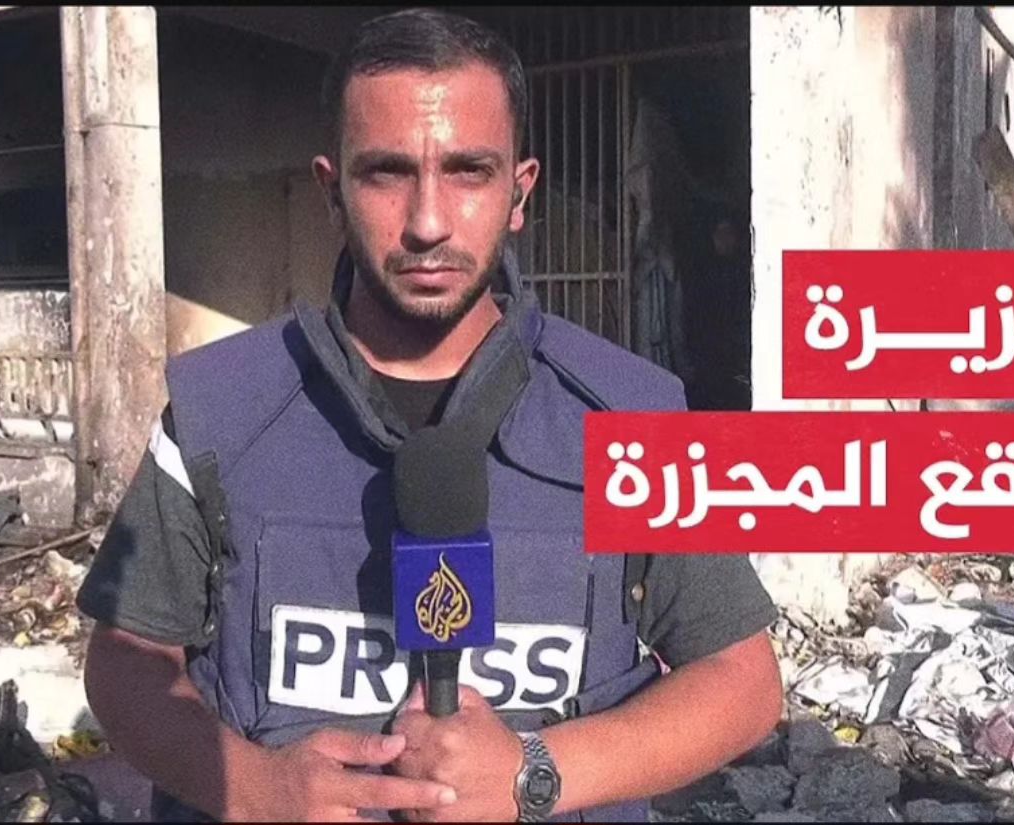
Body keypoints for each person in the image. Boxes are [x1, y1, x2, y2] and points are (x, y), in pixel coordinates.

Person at [75, 8, 782, 823]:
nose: (428, 223)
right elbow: (127, 661)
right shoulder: (220, 413)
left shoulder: (633, 415)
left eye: (468, 171)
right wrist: (257, 787)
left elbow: (742, 681)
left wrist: (534, 773)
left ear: (519, 193)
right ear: (331, 191)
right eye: (387, 173)